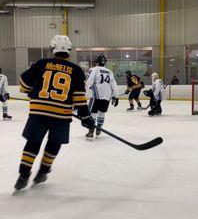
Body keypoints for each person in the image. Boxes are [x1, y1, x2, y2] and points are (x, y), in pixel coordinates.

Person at [14, 35, 94, 191]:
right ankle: (42, 173)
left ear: (52, 48)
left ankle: (23, 175)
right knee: (54, 144)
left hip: (38, 112)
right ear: (69, 50)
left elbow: (23, 84)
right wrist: (86, 117)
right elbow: (78, 97)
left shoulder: (41, 64)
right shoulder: (76, 70)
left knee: (33, 143)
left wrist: (32, 91)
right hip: (61, 115)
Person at [85, 53, 119, 138]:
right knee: (102, 112)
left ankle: (91, 130)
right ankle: (99, 128)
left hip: (97, 95)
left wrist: (84, 89)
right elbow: (113, 84)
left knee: (92, 113)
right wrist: (116, 96)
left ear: (97, 61)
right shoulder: (109, 71)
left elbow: (89, 81)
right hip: (107, 96)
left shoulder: (94, 69)